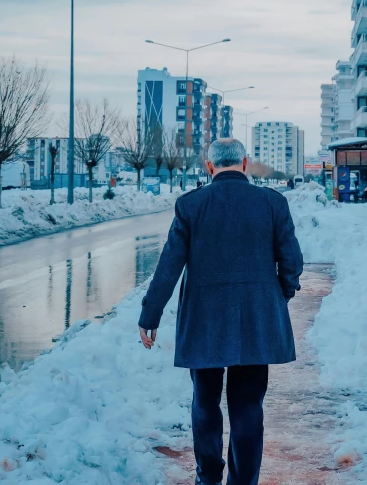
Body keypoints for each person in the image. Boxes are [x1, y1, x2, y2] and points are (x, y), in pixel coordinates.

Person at [138, 138, 304, 485]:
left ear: (209, 166)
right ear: (245, 163)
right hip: (256, 323)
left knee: (205, 402)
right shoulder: (272, 203)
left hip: (204, 322)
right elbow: (291, 261)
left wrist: (150, 315)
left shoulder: (190, 205)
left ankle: (208, 477)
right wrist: (278, 296)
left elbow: (169, 266)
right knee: (247, 407)